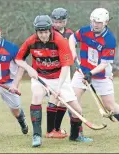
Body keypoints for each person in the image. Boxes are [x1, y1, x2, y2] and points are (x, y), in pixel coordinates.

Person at [15, 15, 92, 147]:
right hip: (40, 77)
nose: (43, 35)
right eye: (40, 32)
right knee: (37, 95)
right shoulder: (31, 41)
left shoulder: (60, 40)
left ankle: (74, 137)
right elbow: (18, 59)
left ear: (50, 29)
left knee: (77, 111)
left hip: (59, 77)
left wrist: (59, 87)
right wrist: (29, 68)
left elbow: (66, 66)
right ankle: (37, 136)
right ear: (36, 31)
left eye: (46, 32)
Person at [69, 8, 119, 137]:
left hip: (101, 76)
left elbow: (104, 64)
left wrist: (90, 74)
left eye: (99, 22)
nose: (95, 24)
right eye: (93, 21)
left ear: (106, 22)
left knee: (110, 107)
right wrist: (73, 52)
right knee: (72, 99)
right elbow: (72, 38)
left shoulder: (109, 39)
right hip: (82, 71)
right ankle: (77, 133)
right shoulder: (85, 31)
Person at [45, 8, 89, 141]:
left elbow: (72, 51)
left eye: (60, 22)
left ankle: (56, 130)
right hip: (53, 71)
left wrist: (77, 63)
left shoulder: (70, 34)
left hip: (66, 72)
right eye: (55, 22)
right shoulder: (48, 33)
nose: (57, 24)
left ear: (65, 21)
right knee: (57, 99)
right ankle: (53, 130)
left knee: (63, 102)